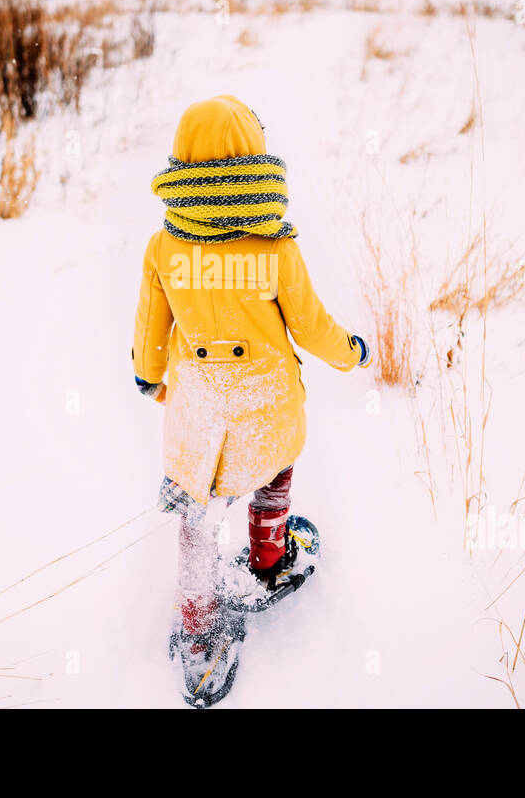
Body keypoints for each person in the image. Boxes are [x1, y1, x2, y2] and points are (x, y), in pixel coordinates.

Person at [131, 94, 371, 703]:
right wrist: (353, 352)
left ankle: (197, 622)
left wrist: (148, 374)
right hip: (264, 401)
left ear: (182, 163)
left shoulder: (165, 248)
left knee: (194, 509)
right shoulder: (275, 249)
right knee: (272, 472)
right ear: (253, 161)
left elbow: (149, 329)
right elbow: (312, 327)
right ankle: (269, 557)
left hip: (197, 407)